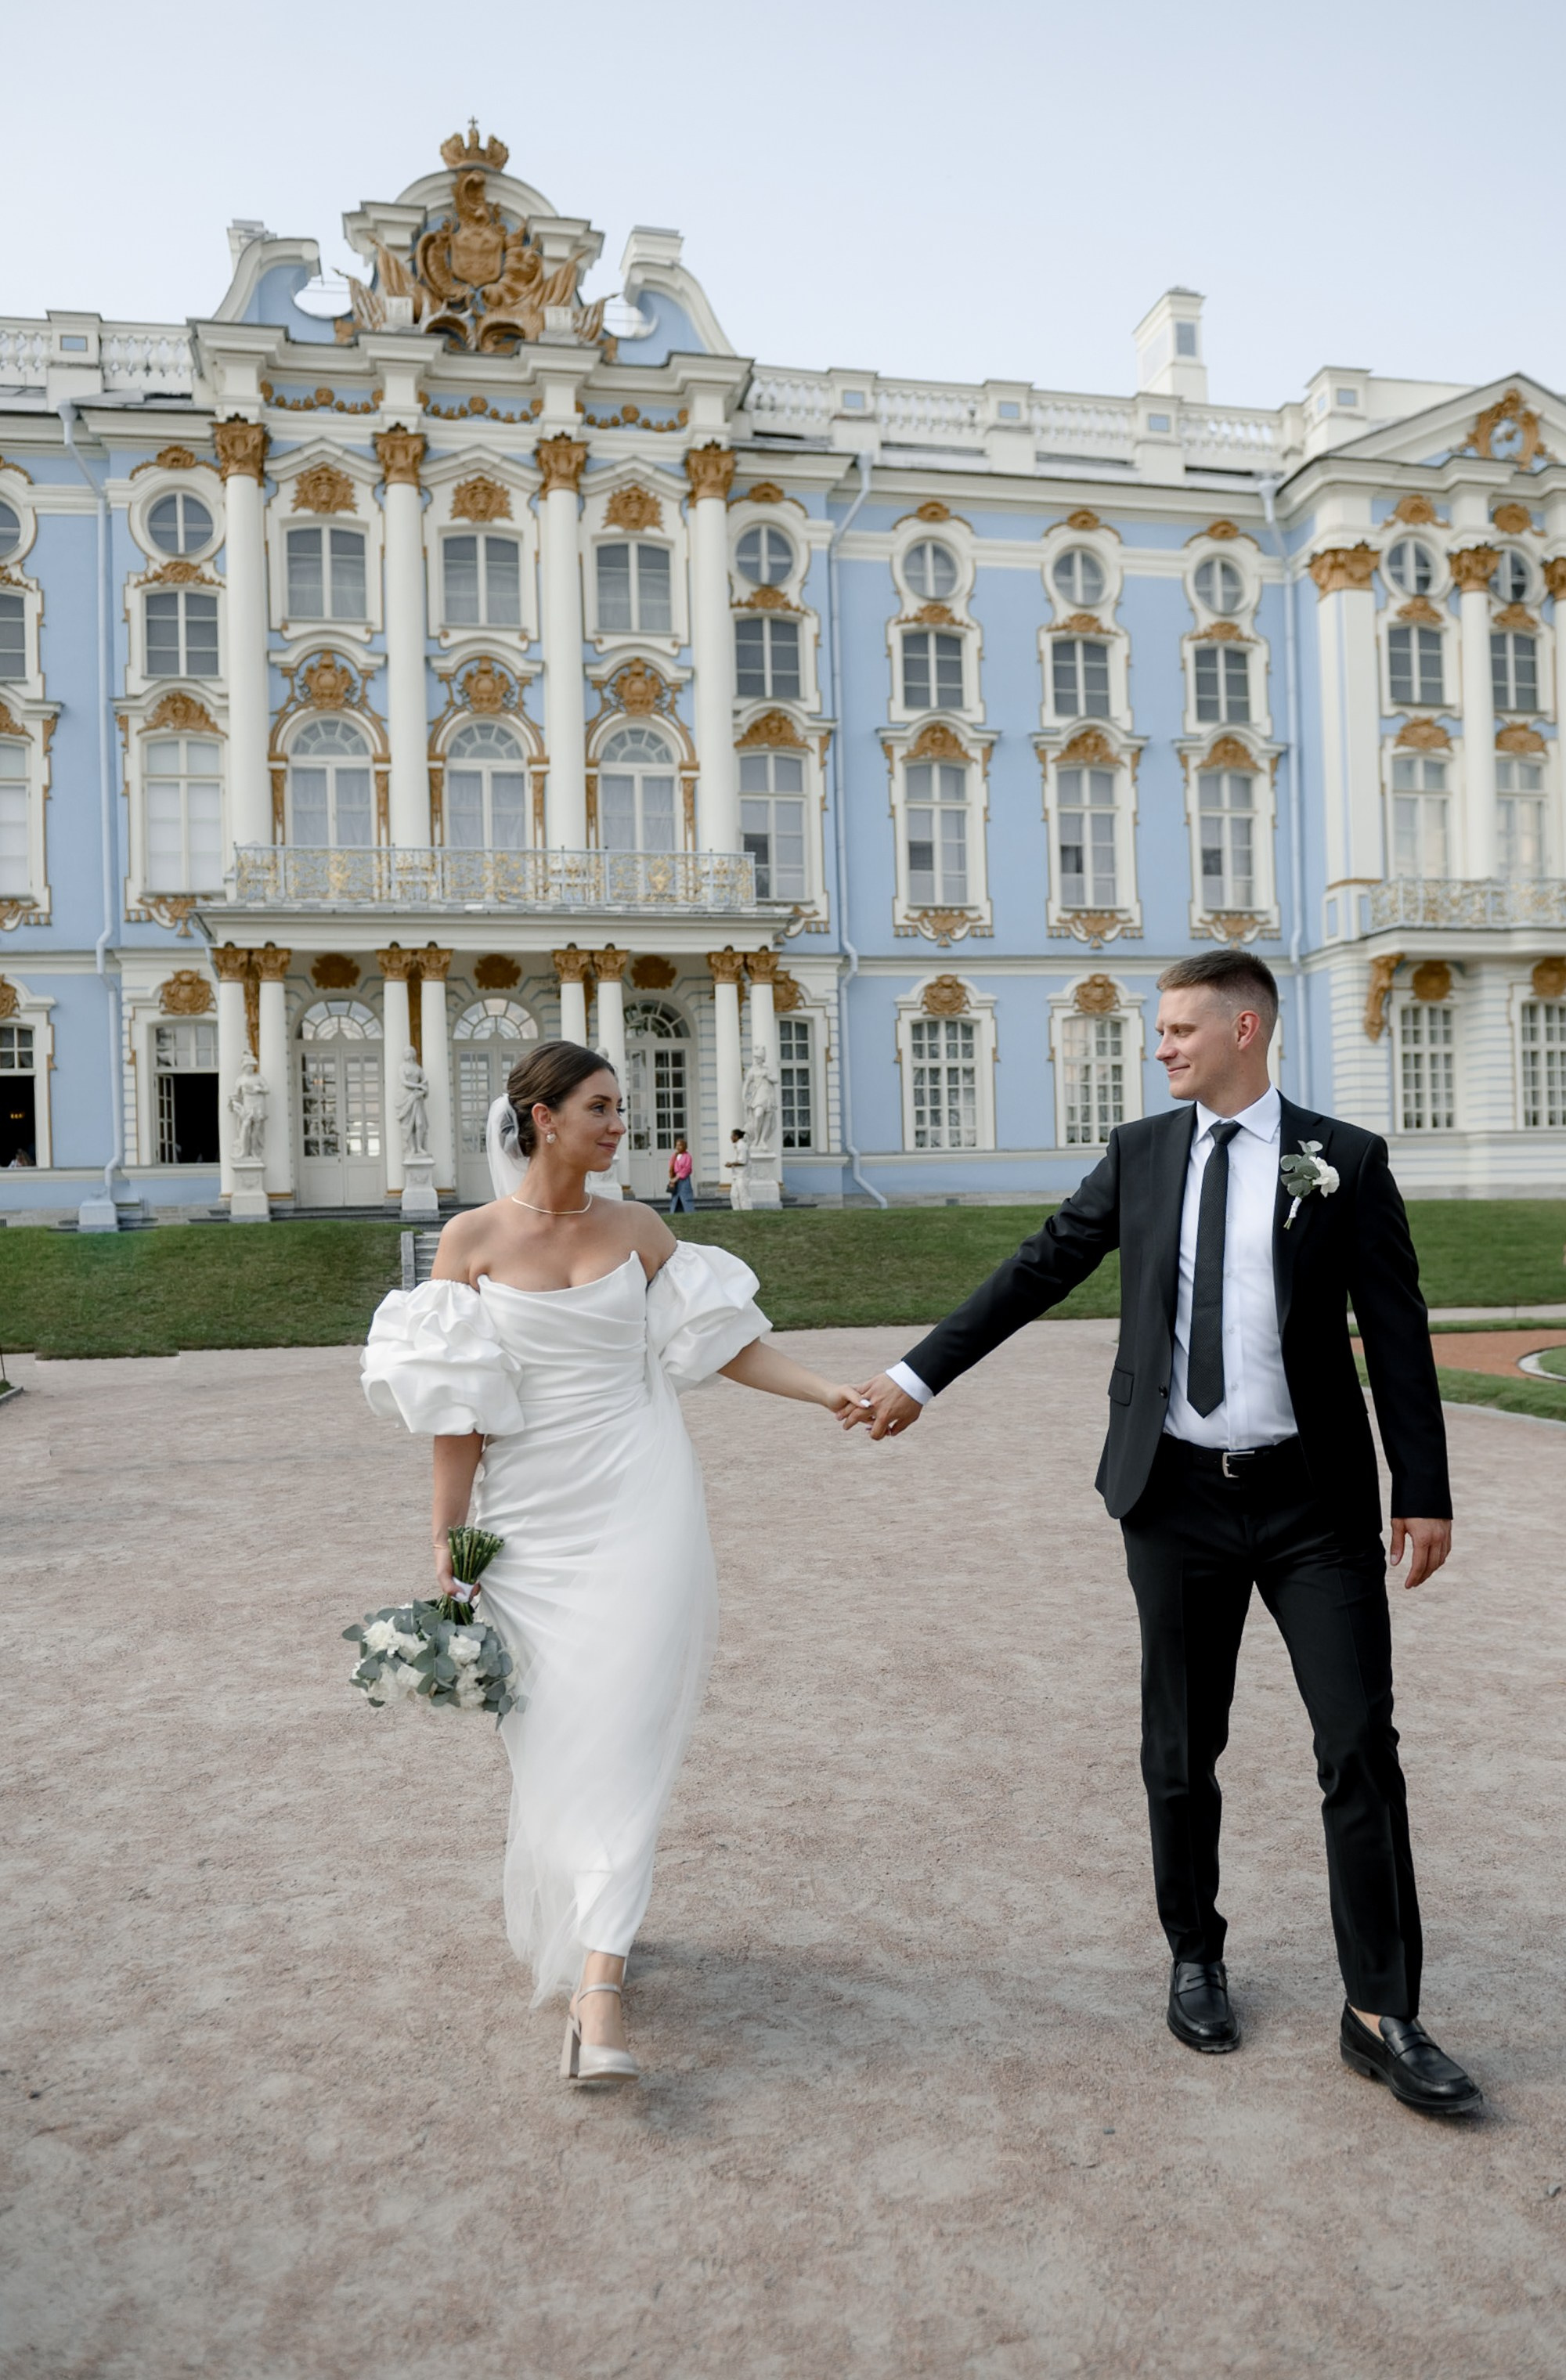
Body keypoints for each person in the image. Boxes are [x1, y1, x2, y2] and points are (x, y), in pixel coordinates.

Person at [846, 949, 1482, 2118]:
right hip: (1176, 1499)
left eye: (1182, 1029)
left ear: (1247, 1028)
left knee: (1359, 1744)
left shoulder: (1342, 1162)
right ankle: (1195, 1953)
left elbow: (1397, 1328)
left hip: (1312, 1508)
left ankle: (1383, 2010)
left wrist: (1423, 1489)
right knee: (1183, 1747)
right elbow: (1040, 1266)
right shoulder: (1142, 1156)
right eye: (1161, 1031)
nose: (1162, 1047)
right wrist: (917, 1374)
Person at [363, 1040, 864, 2086]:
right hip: (530, 1523)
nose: (618, 1124)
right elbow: (458, 1418)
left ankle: (599, 1993)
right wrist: (452, 1547)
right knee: (555, 1736)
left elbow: (722, 1344)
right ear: (541, 1118)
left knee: (629, 1728)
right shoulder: (471, 1240)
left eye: (620, 1107)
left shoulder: (638, 1229)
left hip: (642, 1503)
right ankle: (595, 1920)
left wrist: (827, 1392)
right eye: (599, 1107)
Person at [724, 1127, 750, 1212]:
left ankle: (747, 1212)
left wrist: (731, 1164)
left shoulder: (742, 1145)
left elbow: (742, 1161)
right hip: (736, 1175)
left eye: (732, 1136)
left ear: (736, 1136)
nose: (731, 1137)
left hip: (742, 1176)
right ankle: (737, 1212)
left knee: (743, 1195)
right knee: (733, 1195)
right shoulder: (737, 1145)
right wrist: (731, 1163)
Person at [667, 1135, 695, 1214]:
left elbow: (687, 1169)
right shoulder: (674, 1156)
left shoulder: (687, 1157)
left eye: (680, 1145)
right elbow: (671, 1166)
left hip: (684, 1180)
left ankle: (689, 1212)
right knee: (675, 1198)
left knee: (685, 1197)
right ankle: (675, 1213)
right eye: (677, 1145)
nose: (678, 1147)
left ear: (684, 1146)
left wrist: (678, 1177)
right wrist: (672, 1178)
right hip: (675, 1180)